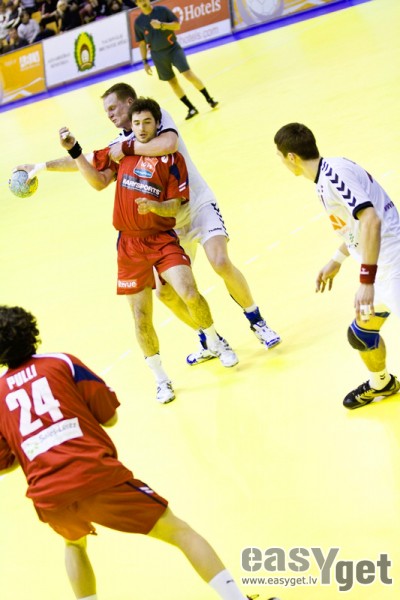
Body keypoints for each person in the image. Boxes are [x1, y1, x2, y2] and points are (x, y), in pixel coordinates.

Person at [0, 305, 279, 600]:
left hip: (50, 497)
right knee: (180, 531)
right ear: (32, 332)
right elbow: (109, 417)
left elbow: (5, 463)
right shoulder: (62, 363)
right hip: (94, 476)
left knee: (74, 544)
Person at [16, 82, 281, 366]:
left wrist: (125, 147)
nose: (109, 114)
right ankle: (209, 338)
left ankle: (257, 321)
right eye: (106, 111)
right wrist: (41, 167)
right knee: (165, 293)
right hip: (166, 224)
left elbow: (168, 145)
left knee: (220, 262)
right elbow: (92, 164)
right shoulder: (120, 142)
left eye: (113, 108)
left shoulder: (155, 118)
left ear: (130, 103)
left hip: (197, 205)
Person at [59, 97, 238, 404]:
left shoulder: (172, 160)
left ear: (158, 124)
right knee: (141, 317)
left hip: (161, 238)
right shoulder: (120, 152)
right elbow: (97, 180)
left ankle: (215, 341)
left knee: (189, 292)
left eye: (147, 123)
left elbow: (173, 207)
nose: (141, 129)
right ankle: (161, 379)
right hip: (129, 245)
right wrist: (72, 150)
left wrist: (154, 206)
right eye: (137, 123)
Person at [274, 122, 400, 409]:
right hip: (381, 266)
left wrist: (366, 282)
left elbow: (371, 221)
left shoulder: (334, 177)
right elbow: (356, 227)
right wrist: (337, 259)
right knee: (361, 335)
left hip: (392, 265)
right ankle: (382, 384)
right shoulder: (328, 175)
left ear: (292, 157)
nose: (281, 162)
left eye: (280, 157)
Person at [133, 0, 218, 120]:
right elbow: (142, 43)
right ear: (137, 4)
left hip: (173, 48)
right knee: (172, 82)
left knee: (188, 74)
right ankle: (191, 108)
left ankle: (209, 99)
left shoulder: (162, 10)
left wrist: (161, 25)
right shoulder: (138, 22)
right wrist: (144, 61)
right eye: (139, 1)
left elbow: (177, 25)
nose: (143, 2)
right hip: (157, 55)